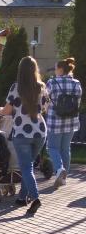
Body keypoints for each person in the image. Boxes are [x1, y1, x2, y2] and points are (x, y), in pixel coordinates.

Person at [0, 56, 49, 215]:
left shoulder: (15, 88)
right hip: (40, 132)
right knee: (29, 166)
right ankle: (22, 197)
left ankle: (35, 198)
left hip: (22, 133)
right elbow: (45, 108)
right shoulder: (42, 87)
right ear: (35, 70)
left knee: (26, 167)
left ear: (21, 71)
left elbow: (6, 111)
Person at [46, 57, 83, 189]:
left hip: (55, 121)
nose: (55, 71)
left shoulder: (52, 82)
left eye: (56, 68)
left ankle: (59, 169)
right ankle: (63, 178)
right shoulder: (76, 83)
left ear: (60, 69)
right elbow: (77, 103)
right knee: (65, 149)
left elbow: (44, 100)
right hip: (71, 122)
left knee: (52, 148)